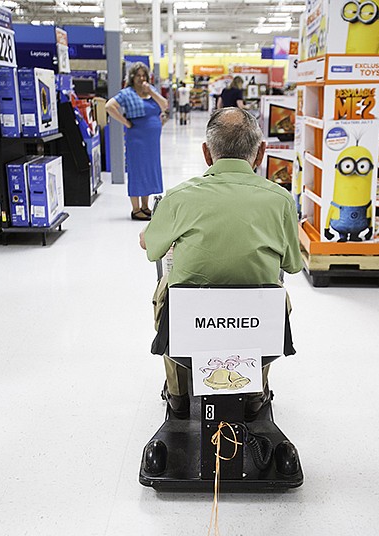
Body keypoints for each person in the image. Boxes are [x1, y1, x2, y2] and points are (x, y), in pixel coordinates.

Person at [139, 107, 302, 419]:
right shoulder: (281, 199)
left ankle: (178, 396)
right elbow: (292, 264)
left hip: (191, 326)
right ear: (262, 152)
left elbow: (152, 247)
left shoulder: (179, 197)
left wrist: (149, 234)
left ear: (206, 153)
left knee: (166, 292)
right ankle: (255, 394)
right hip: (255, 324)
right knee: (276, 294)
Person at [105, 62, 168, 221]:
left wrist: (151, 92)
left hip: (152, 142)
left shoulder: (151, 91)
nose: (141, 78)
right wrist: (125, 122)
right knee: (137, 170)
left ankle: (145, 206)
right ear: (132, 77)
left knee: (148, 169)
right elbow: (109, 106)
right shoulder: (126, 93)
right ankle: (136, 209)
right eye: (138, 75)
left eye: (144, 75)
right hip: (137, 139)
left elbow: (164, 105)